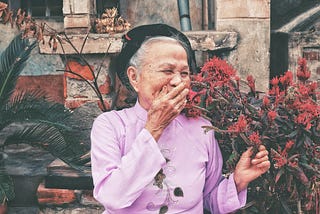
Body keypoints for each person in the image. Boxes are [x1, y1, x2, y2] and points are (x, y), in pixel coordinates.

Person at [90, 23, 270, 214]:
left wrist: (238, 181)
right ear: (135, 77)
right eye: (167, 71)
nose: (178, 81)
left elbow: (208, 201)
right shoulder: (111, 126)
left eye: (184, 73)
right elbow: (113, 198)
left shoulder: (202, 129)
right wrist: (154, 129)